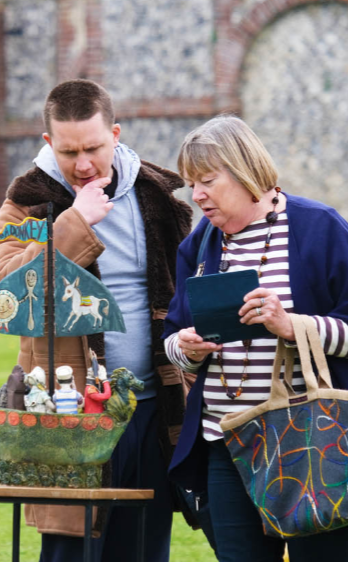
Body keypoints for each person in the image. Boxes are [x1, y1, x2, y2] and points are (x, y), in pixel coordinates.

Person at [0, 79, 192, 562]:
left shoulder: (156, 194)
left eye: (94, 149)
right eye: (69, 151)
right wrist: (75, 223)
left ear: (115, 135)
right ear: (48, 143)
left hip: (152, 407)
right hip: (70, 415)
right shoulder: (27, 200)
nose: (82, 164)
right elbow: (4, 293)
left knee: (144, 551)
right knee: (71, 551)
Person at [163, 115, 348, 561]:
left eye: (207, 181)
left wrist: (293, 325)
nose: (197, 195)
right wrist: (186, 348)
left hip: (310, 440)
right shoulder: (199, 244)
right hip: (226, 443)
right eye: (192, 184)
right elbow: (171, 335)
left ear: (245, 172)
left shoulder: (321, 228)